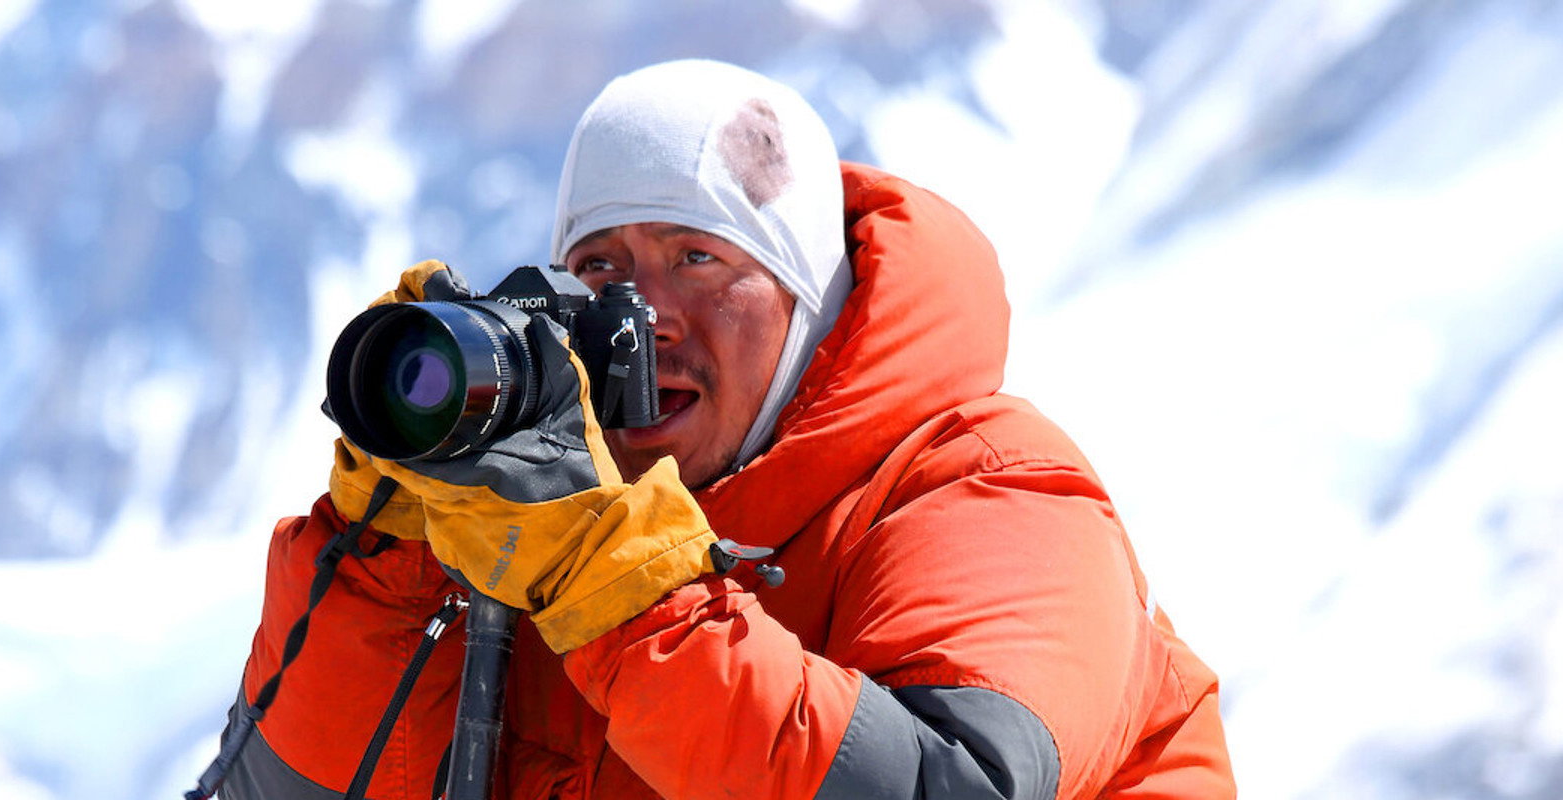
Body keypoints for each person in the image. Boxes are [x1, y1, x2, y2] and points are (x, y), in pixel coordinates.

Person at [207, 59, 1235, 799]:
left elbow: (955, 785)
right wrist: (387, 556)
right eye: (601, 268)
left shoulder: (991, 490)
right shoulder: (548, 537)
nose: (640, 316)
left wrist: (628, 596)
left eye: (695, 258)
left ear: (808, 299)